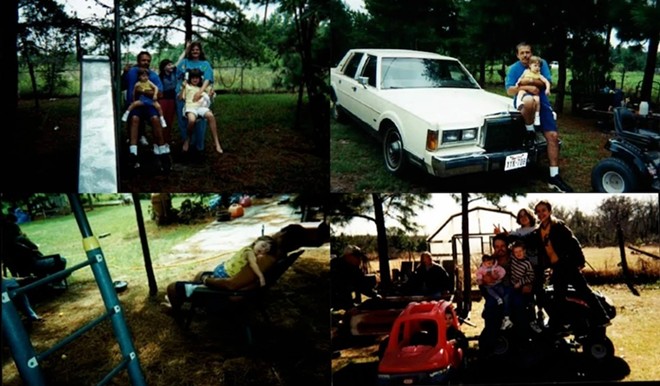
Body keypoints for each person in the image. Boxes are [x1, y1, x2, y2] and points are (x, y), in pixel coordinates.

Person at [505, 42, 573, 192]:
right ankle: (530, 131)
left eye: (528, 52)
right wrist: (527, 86)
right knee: (529, 100)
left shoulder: (540, 64)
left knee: (553, 136)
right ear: (517, 55)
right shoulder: (514, 69)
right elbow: (510, 90)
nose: (525, 55)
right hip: (524, 100)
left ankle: (554, 176)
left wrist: (528, 82)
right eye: (522, 53)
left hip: (542, 102)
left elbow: (544, 83)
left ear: (531, 53)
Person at [533, 200, 611, 329]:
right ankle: (558, 322)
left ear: (550, 211)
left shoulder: (559, 226)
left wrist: (580, 261)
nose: (541, 214)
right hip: (556, 267)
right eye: (538, 211)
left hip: (567, 265)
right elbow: (529, 241)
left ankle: (602, 317)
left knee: (584, 291)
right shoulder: (539, 231)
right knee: (558, 296)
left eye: (544, 210)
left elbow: (574, 244)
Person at [123, 51, 171, 172]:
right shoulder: (131, 72)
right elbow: (122, 84)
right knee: (134, 120)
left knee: (155, 120)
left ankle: (162, 152)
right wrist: (124, 72)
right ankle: (133, 154)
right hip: (135, 106)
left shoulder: (153, 75)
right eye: (144, 60)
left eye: (148, 61)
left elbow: (160, 93)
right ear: (138, 60)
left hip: (149, 105)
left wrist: (144, 92)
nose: (146, 63)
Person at [175, 41, 215, 156]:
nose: (195, 51)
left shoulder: (205, 64)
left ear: (200, 51)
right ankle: (187, 145)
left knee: (200, 120)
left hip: (199, 96)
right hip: (183, 96)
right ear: (189, 51)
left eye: (197, 49)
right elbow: (177, 73)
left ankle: (199, 147)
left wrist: (200, 92)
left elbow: (208, 79)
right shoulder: (184, 63)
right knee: (185, 120)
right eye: (192, 49)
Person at [179, 69, 223, 154]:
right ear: (189, 78)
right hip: (190, 107)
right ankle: (187, 139)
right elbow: (180, 98)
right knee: (192, 120)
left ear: (200, 79)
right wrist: (183, 88)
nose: (195, 80)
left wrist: (211, 94)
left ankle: (217, 143)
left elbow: (211, 95)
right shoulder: (187, 86)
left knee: (210, 116)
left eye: (197, 78)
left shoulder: (203, 87)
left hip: (200, 107)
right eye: (193, 78)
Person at [209, 236, 275, 287]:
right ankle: (207, 280)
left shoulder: (249, 249)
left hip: (223, 268)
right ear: (256, 241)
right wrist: (261, 277)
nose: (263, 249)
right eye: (263, 245)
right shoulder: (249, 252)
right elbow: (253, 264)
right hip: (224, 273)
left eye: (266, 250)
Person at [331, 245, 380, 311]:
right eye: (356, 256)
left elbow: (360, 283)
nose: (359, 259)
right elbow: (341, 287)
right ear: (348, 256)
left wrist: (374, 295)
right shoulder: (336, 266)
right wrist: (350, 306)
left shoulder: (353, 267)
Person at [508, 240, 542, 333]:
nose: (518, 254)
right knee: (512, 302)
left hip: (522, 285)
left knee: (529, 302)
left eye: (520, 251)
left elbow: (531, 276)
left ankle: (532, 322)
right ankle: (512, 322)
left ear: (524, 251)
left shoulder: (527, 263)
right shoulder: (513, 258)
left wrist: (521, 283)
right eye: (516, 252)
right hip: (513, 285)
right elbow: (509, 247)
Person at [476, 254, 512, 330]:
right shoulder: (483, 267)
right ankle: (491, 330)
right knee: (490, 304)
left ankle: (507, 319)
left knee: (509, 299)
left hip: (504, 288)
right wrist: (483, 280)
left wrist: (498, 276)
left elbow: (503, 273)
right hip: (490, 288)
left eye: (502, 246)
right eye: (497, 247)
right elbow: (479, 276)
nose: (500, 249)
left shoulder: (510, 261)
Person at [515, 56, 551, 126]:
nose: (537, 68)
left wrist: (547, 89)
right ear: (530, 65)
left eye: (539, 66)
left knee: (537, 100)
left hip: (534, 92)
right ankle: (518, 103)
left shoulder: (539, 75)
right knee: (520, 92)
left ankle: (537, 116)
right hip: (525, 90)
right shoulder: (526, 72)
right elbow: (521, 77)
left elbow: (547, 82)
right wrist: (517, 83)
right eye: (535, 65)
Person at [158, 59, 179, 139]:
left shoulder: (174, 73)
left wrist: (186, 50)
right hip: (163, 100)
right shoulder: (160, 77)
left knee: (169, 120)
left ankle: (167, 139)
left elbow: (179, 61)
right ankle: (160, 139)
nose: (171, 66)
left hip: (172, 100)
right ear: (164, 67)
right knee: (162, 120)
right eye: (169, 65)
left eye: (172, 64)